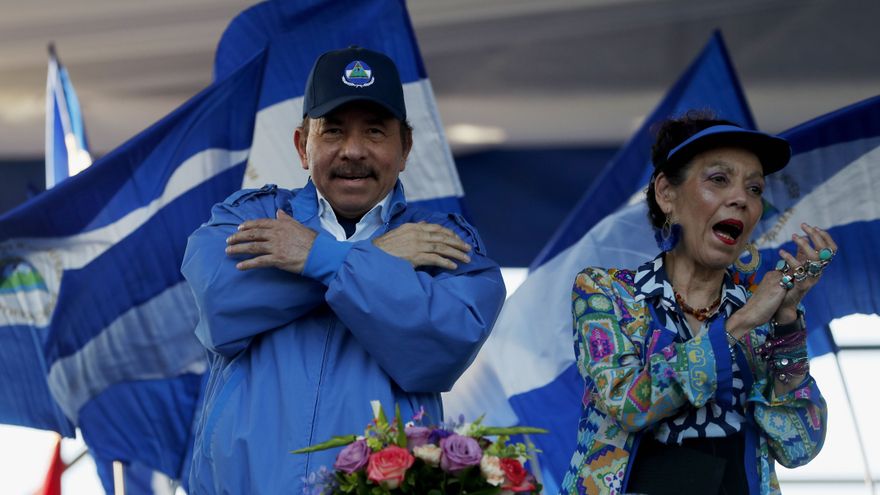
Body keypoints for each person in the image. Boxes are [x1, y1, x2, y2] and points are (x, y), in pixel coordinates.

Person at [181, 46, 506, 494]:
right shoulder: (246, 217)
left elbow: (444, 347)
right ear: (303, 145)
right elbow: (221, 304)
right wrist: (377, 259)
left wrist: (318, 258)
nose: (353, 150)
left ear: (405, 147)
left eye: (374, 131)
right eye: (333, 130)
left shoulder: (443, 241)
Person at [560, 112, 831, 495]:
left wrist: (787, 323)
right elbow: (629, 406)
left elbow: (799, 446)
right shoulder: (608, 293)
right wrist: (737, 326)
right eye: (719, 179)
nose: (741, 199)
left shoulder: (766, 313)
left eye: (755, 188)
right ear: (666, 193)